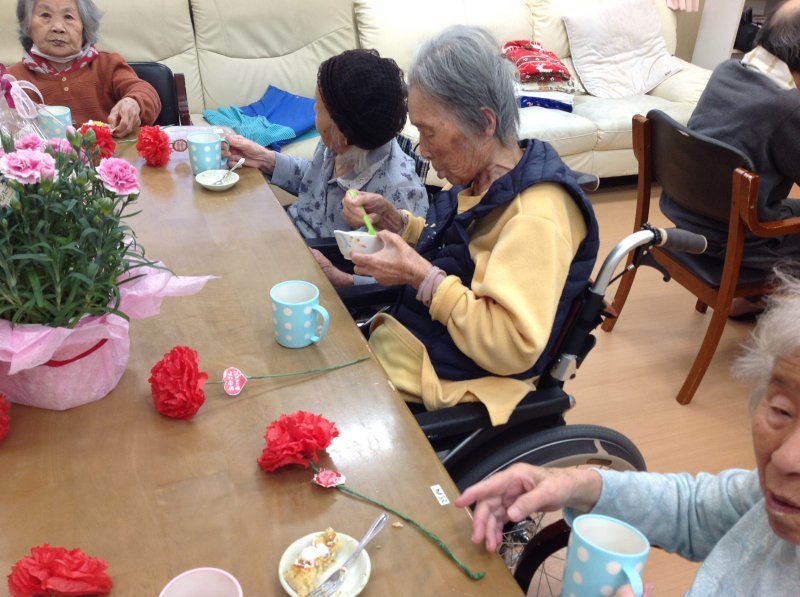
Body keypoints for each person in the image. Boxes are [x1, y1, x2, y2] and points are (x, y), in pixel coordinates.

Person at [456, 270, 800, 596]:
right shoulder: (765, 500)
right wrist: (572, 484)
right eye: (782, 410)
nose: (785, 459)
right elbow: (693, 511)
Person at [333, 26, 598, 424]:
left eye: (429, 132)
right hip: (407, 346)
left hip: (440, 386)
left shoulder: (535, 215)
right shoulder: (481, 176)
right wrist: (398, 223)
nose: (423, 150)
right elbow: (462, 252)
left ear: (485, 123)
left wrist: (420, 275)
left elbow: (510, 345)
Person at [660, 0, 800, 317]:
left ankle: (747, 299)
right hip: (741, 240)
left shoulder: (727, 71)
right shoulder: (786, 106)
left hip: (690, 216)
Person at [223, 49, 429, 255]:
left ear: (342, 132)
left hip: (322, 262)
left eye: (318, 107)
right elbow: (314, 181)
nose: (313, 109)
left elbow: (394, 266)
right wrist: (265, 159)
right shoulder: (337, 143)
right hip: (291, 233)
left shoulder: (399, 191)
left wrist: (335, 273)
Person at [8, 0, 161, 138]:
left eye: (68, 17)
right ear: (27, 25)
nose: (58, 27)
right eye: (45, 15)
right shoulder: (12, 79)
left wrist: (134, 102)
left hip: (112, 157)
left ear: (85, 26)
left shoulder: (108, 64)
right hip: (44, 160)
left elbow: (144, 91)